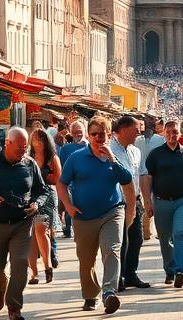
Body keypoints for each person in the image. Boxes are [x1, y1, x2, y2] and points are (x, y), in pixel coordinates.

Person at [0, 127, 49, 320]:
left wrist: (37, 204)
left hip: (22, 224)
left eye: (25, 147)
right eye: (19, 148)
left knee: (21, 264)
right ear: (8, 144)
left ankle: (14, 308)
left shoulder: (30, 164)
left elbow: (43, 190)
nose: (23, 151)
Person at [58, 116, 135, 314]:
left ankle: (109, 292)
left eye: (102, 134)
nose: (98, 138)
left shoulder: (113, 156)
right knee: (86, 259)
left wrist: (111, 158)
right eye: (94, 134)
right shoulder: (77, 157)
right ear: (88, 135)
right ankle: (91, 295)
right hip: (84, 216)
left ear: (109, 135)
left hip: (112, 211)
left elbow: (127, 180)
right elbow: (62, 183)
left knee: (112, 249)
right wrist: (68, 205)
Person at [141, 120, 183, 288]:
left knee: (180, 233)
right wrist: (147, 201)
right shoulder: (156, 154)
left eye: (175, 132)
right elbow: (147, 177)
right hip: (161, 202)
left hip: (182, 200)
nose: (172, 135)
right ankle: (169, 269)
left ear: (179, 133)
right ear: (164, 134)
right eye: (168, 132)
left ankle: (180, 271)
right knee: (165, 239)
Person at [109, 116, 150, 291]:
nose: (139, 133)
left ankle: (131, 274)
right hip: (118, 203)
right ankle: (117, 277)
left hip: (135, 201)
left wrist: (146, 199)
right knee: (120, 242)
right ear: (124, 129)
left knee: (136, 239)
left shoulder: (135, 151)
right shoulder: (110, 150)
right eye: (136, 129)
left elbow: (141, 175)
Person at [27, 128, 61, 285]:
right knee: (30, 235)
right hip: (30, 197)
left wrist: (44, 177)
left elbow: (58, 180)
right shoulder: (28, 158)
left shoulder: (52, 158)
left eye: (41, 140)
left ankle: (47, 266)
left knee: (41, 230)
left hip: (47, 196)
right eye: (35, 140)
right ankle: (34, 273)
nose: (38, 143)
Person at [58, 120, 88, 238]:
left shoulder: (90, 146)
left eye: (80, 132)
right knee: (69, 205)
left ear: (85, 132)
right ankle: (68, 228)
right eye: (74, 132)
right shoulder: (66, 149)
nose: (77, 134)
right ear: (71, 133)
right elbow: (62, 168)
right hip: (69, 184)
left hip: (85, 185)